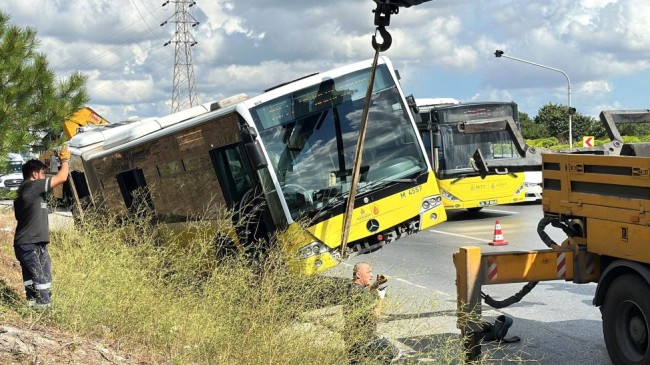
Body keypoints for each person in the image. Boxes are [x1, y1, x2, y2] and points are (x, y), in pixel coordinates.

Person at [13, 144, 70, 309]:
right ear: (34, 173)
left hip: (29, 243)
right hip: (29, 244)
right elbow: (62, 177)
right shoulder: (32, 186)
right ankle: (45, 312)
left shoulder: (23, 192)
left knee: (33, 279)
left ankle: (32, 309)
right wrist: (65, 160)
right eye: (43, 173)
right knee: (41, 278)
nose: (44, 176)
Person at [344, 262, 402, 364]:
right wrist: (381, 297)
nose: (371, 275)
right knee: (395, 356)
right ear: (358, 275)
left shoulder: (353, 287)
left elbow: (366, 290)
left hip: (353, 338)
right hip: (365, 339)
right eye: (368, 272)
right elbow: (376, 315)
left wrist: (377, 284)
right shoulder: (359, 293)